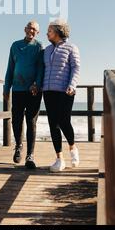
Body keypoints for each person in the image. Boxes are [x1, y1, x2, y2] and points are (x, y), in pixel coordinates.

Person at [3, 21, 44, 169]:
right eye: (29, 28)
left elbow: (41, 68)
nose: (31, 31)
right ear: (25, 29)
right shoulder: (15, 45)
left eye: (34, 29)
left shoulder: (39, 46)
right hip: (18, 89)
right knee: (16, 120)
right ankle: (19, 146)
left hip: (33, 91)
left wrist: (37, 84)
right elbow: (10, 67)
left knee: (31, 122)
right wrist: (6, 87)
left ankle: (30, 155)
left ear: (37, 32)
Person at [43, 19, 80, 172]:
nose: (47, 33)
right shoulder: (46, 50)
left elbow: (76, 68)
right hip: (48, 90)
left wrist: (72, 85)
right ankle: (59, 159)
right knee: (53, 124)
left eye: (49, 30)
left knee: (64, 121)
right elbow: (42, 69)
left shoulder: (71, 48)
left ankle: (73, 148)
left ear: (58, 31)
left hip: (65, 91)